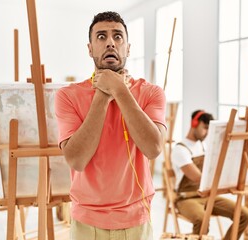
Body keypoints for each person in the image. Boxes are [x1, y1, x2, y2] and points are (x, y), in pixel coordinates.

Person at [55, 11, 167, 240]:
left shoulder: (151, 93)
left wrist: (119, 89)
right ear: (90, 49)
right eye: (101, 37)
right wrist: (103, 95)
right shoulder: (67, 96)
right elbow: (76, 159)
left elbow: (153, 148)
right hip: (87, 222)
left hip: (137, 220)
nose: (110, 43)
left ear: (127, 48)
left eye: (118, 36)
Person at [171, 110, 248, 240]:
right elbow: (197, 177)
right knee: (202, 219)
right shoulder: (180, 149)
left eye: (209, 129)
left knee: (244, 215)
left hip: (208, 195)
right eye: (205, 128)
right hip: (187, 199)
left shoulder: (203, 146)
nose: (207, 133)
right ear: (194, 123)